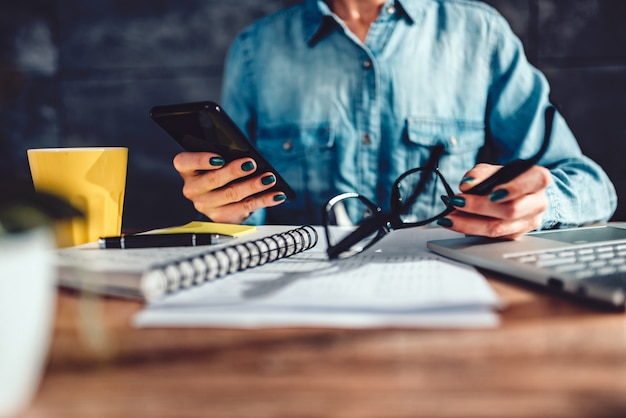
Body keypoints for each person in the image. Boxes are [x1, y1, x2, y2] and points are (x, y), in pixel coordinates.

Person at [173, 0, 617, 239]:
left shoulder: (479, 35)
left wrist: (538, 204)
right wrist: (226, 210)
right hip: (299, 295)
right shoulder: (256, 49)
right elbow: (245, 214)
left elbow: (591, 183)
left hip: (447, 290)